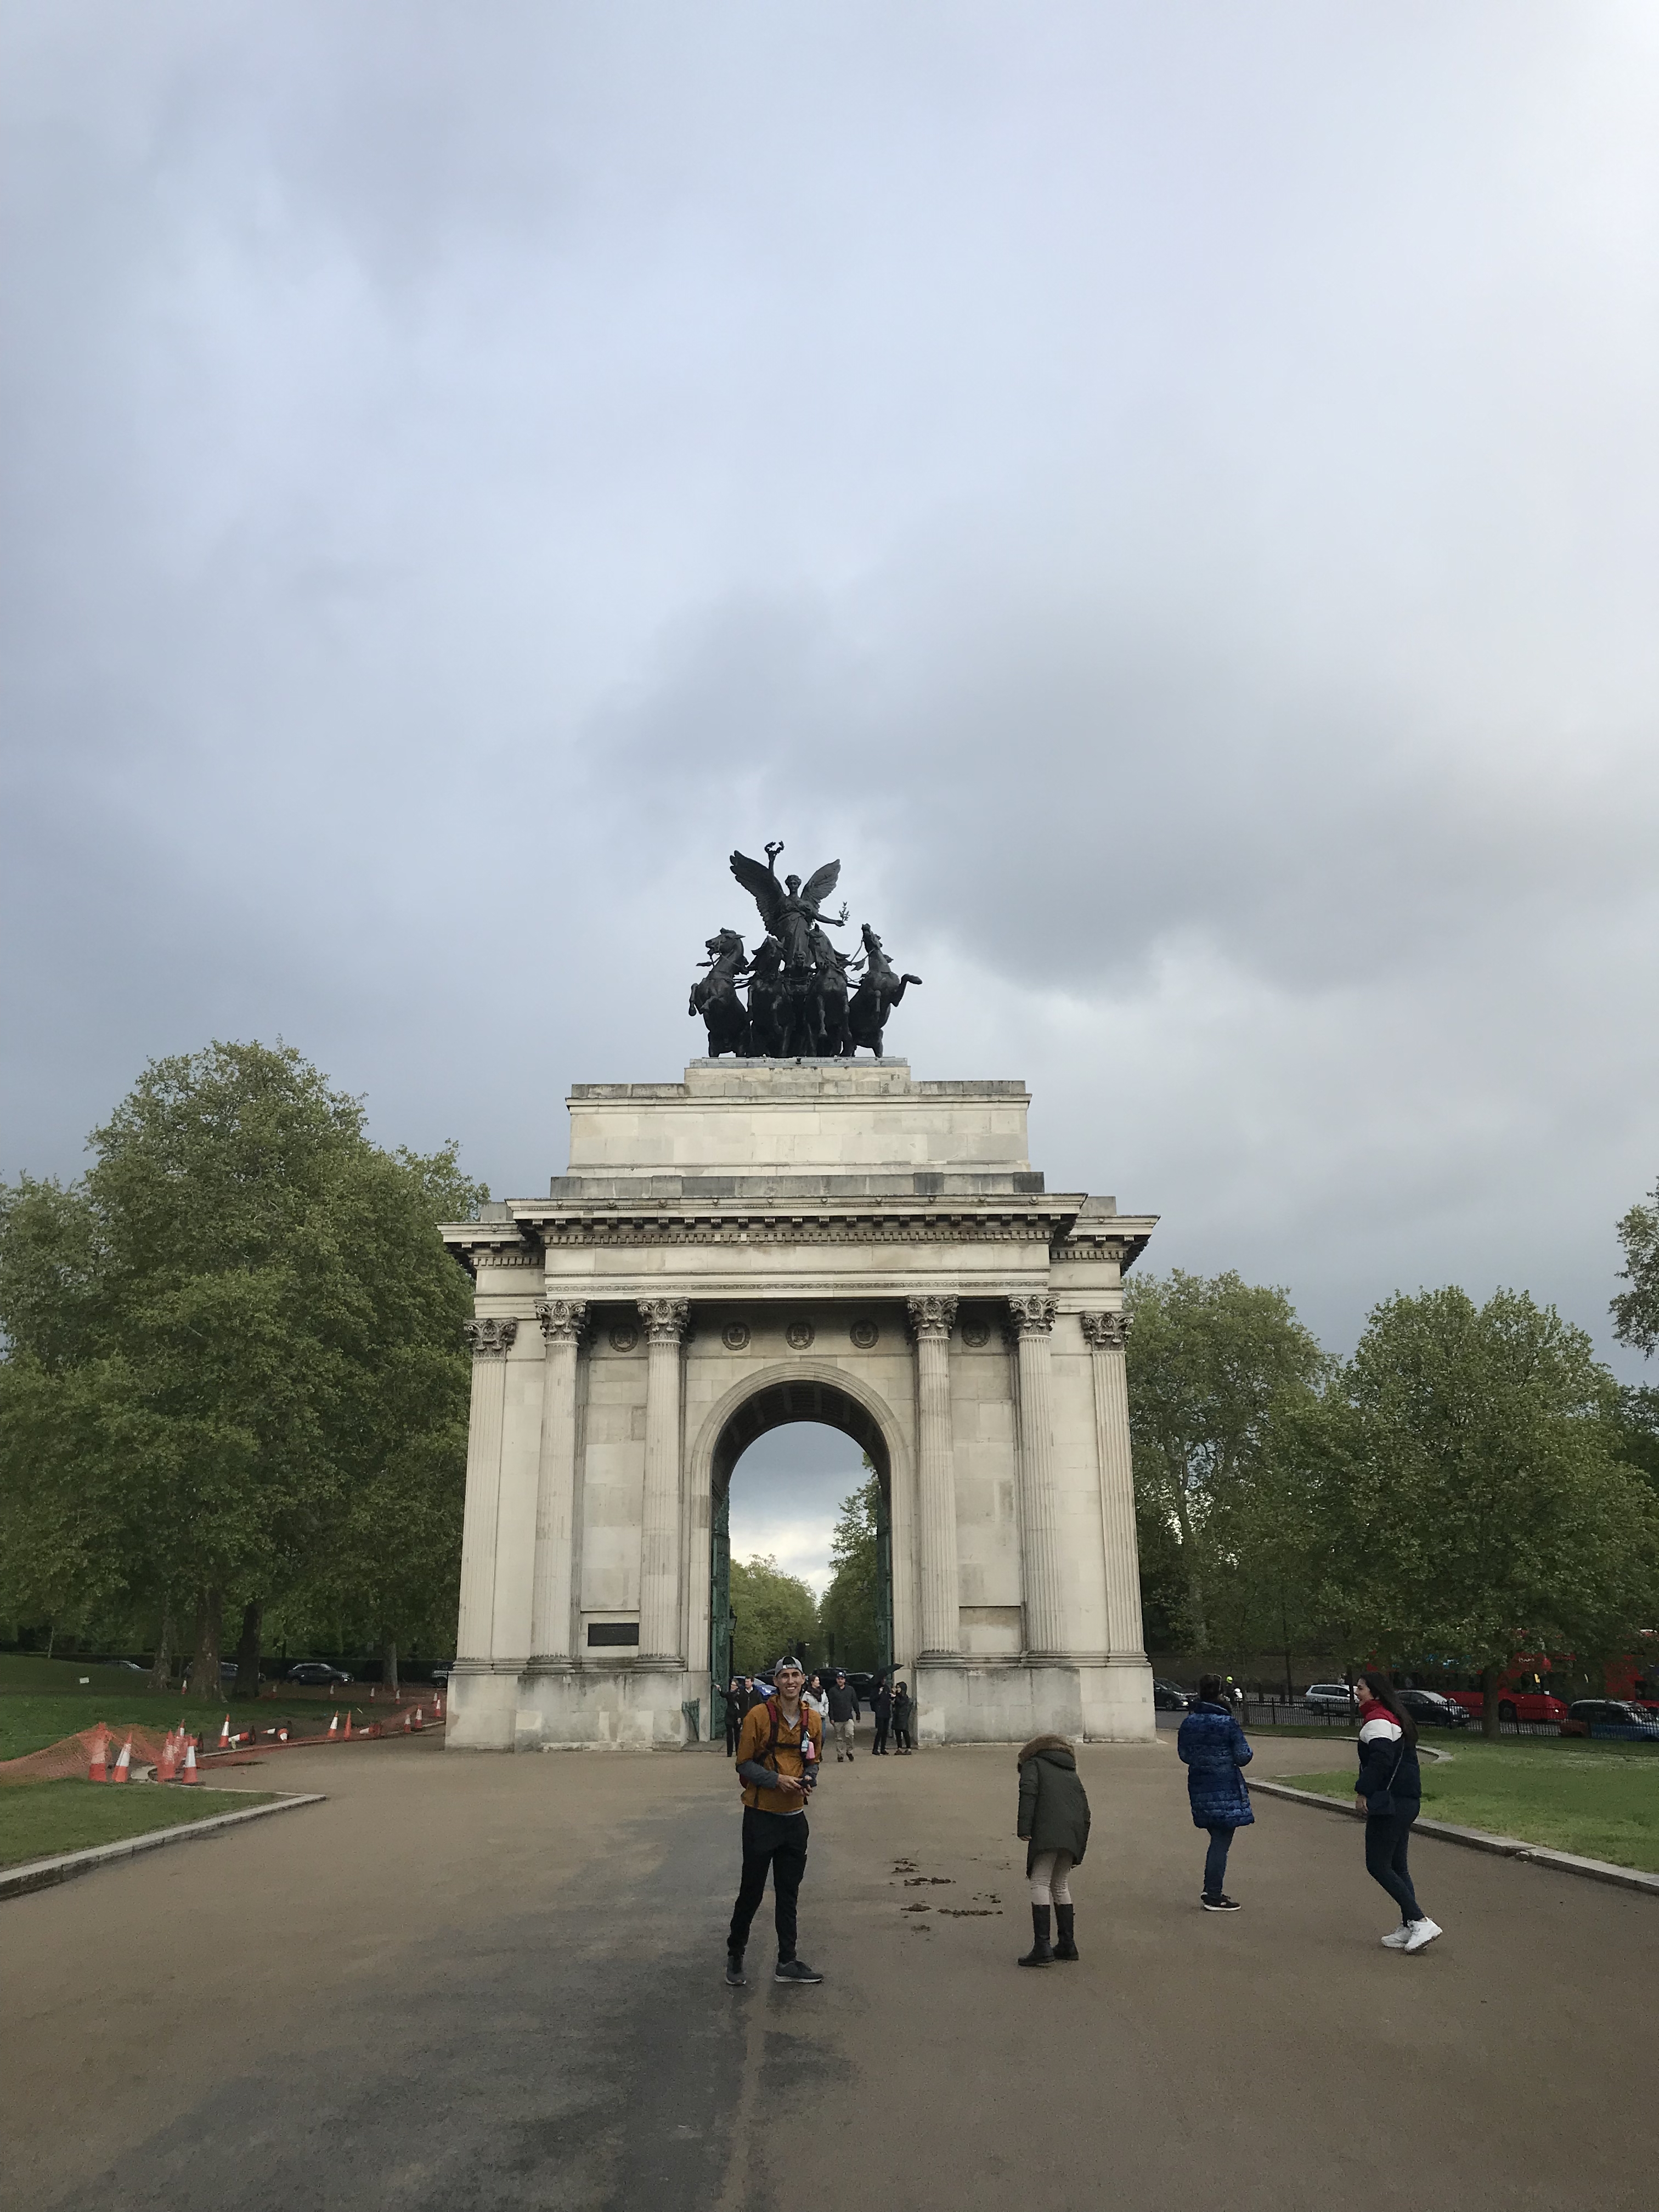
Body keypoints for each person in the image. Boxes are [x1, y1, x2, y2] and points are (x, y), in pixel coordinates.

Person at [726, 1655, 825, 1986]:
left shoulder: (814, 1719)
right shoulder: (758, 1716)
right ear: (777, 1681)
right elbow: (743, 1764)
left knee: (789, 1893)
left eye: (796, 1675)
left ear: (803, 1679)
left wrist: (809, 1778)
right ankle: (736, 1953)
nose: (791, 1681)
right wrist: (776, 1780)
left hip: (794, 1819)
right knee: (751, 1891)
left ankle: (787, 1960)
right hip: (761, 1817)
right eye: (784, 1676)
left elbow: (813, 1760)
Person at [1355, 1668, 1441, 1953]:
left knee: (1377, 1865)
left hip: (1391, 1802)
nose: (1357, 1692)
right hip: (1406, 1800)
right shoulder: (1393, 1719)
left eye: (1362, 1688)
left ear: (1376, 1693)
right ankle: (1409, 1924)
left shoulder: (1377, 1721)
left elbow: (1380, 1760)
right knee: (1397, 1865)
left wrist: (1363, 1790)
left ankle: (1419, 1920)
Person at [1177, 1673, 1254, 1911]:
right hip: (1224, 1783)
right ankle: (1213, 1893)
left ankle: (1212, 1887)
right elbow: (1243, 1756)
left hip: (1200, 1782)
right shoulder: (1227, 1723)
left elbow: (1185, 1755)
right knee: (1221, 1840)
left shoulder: (1190, 1722)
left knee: (1216, 1836)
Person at [1014, 1733, 1091, 1966]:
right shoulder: (1070, 1770)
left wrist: (1024, 1827)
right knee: (1060, 1884)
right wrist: (1081, 1843)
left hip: (1048, 1830)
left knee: (1039, 1881)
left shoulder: (1033, 1764)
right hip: (1073, 1831)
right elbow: (1085, 1809)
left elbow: (1029, 1793)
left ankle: (1042, 1946)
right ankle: (1067, 1944)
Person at [825, 1670, 860, 1762]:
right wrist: (831, 1717)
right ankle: (840, 1755)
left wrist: (858, 1714)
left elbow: (855, 1702)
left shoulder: (850, 1690)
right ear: (836, 1680)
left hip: (848, 1717)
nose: (840, 1681)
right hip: (837, 1718)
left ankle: (849, 1751)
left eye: (842, 1679)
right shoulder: (832, 1691)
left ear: (845, 1680)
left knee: (850, 1734)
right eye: (839, 1679)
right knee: (839, 1738)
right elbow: (831, 1705)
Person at [723, 1676, 745, 1757]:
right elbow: (724, 1695)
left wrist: (740, 1717)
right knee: (729, 1735)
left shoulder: (739, 1695)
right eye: (731, 1685)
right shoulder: (729, 1694)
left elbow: (741, 1706)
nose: (732, 1687)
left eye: (734, 1685)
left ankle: (738, 1751)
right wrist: (719, 1690)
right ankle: (729, 1752)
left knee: (737, 1735)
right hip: (729, 1715)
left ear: (737, 1686)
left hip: (737, 1716)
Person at [871, 1675, 893, 1754]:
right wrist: (879, 1693)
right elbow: (873, 1699)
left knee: (885, 1731)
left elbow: (888, 1698)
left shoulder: (887, 1688)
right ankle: (875, 1748)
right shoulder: (876, 1688)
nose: (884, 1680)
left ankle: (883, 1748)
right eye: (882, 1679)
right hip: (880, 1712)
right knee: (880, 1731)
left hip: (886, 1711)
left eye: (885, 1679)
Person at [891, 1681, 912, 1753]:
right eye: (897, 1688)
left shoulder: (905, 1697)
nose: (897, 1689)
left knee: (905, 1732)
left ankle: (909, 1748)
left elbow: (901, 1703)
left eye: (899, 1688)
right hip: (897, 1716)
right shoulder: (898, 1696)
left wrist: (895, 1697)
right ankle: (899, 1747)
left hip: (903, 1716)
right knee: (898, 1733)